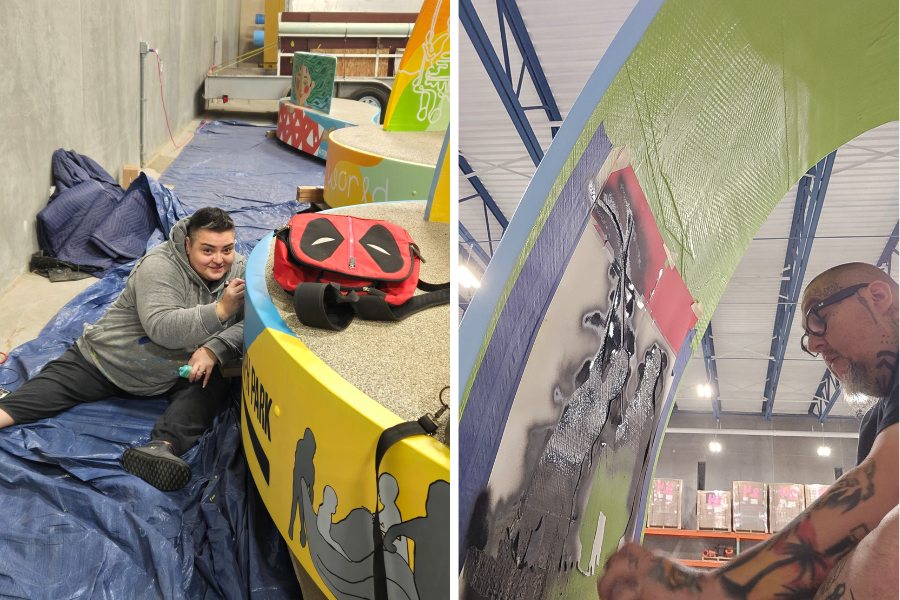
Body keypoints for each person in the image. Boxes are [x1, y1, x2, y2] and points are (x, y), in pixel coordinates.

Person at [597, 262, 898, 600]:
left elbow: (888, 481)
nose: (814, 345)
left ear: (878, 296)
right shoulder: (876, 424)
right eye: (808, 336)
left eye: (818, 319)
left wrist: (710, 590)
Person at [0, 207, 246, 492]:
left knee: (208, 387)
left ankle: (160, 449)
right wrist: (221, 310)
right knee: (38, 395)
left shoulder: (240, 269)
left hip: (177, 368)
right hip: (109, 360)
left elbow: (253, 323)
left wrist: (214, 349)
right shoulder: (159, 266)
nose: (219, 260)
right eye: (208, 250)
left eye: (227, 249)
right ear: (188, 244)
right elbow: (162, 329)